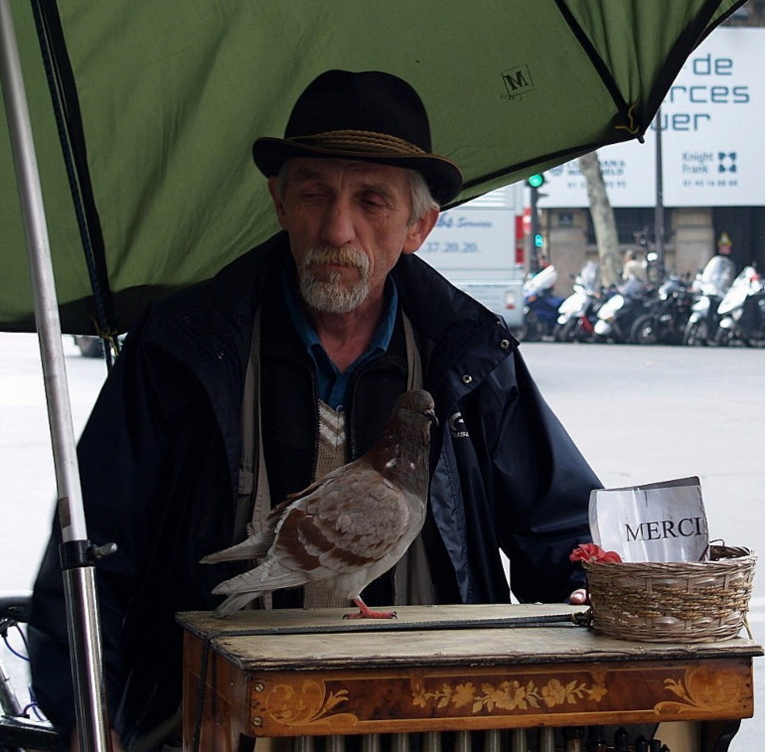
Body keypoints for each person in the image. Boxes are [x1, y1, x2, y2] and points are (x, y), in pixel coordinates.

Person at [28, 70, 599, 751]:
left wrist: (589, 587)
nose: (337, 227)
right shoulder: (182, 349)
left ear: (418, 225)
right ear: (278, 202)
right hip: (214, 722)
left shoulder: (469, 359)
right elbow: (92, 549)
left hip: (425, 722)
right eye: (313, 193)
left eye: (371, 201)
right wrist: (86, 714)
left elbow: (561, 526)